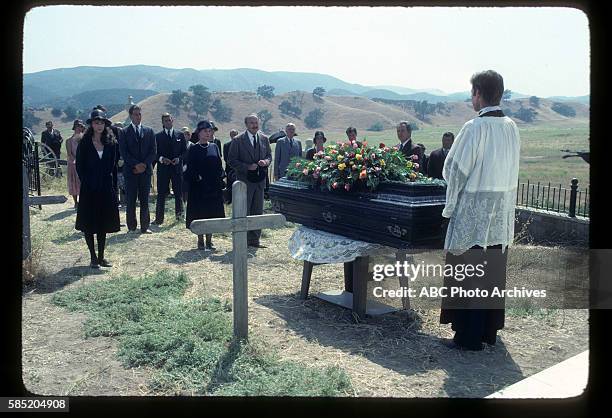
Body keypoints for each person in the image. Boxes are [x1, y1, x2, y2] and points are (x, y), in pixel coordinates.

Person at [439, 70, 520, 351]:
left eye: (472, 92)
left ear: (478, 93)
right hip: (500, 214)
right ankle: (488, 331)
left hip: (473, 214)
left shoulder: (474, 128)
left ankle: (468, 337)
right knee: (492, 271)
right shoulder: (511, 126)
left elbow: (454, 169)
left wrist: (451, 201)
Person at [75, 109, 121, 268]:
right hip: (89, 188)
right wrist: (87, 182)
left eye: (102, 122)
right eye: (96, 122)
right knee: (89, 223)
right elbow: (79, 166)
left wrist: (112, 186)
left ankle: (101, 256)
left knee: (103, 223)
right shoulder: (85, 143)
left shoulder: (111, 142)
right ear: (91, 124)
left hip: (106, 187)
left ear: (105, 124)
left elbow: (113, 166)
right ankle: (93, 257)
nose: (99, 125)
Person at [228, 114, 272, 248]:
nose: (254, 125)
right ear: (246, 124)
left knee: (258, 210)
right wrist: (247, 166)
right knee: (244, 211)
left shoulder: (264, 139)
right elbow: (231, 160)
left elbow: (269, 155)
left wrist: (266, 161)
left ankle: (255, 240)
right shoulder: (238, 140)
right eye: (251, 123)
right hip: (244, 182)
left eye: (256, 122)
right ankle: (242, 240)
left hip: (259, 181)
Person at [184, 120, 225, 250]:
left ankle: (209, 240)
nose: (208, 134)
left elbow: (219, 165)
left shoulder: (214, 147)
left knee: (212, 213)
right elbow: (189, 168)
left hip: (213, 187)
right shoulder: (193, 149)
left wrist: (221, 177)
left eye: (209, 131)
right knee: (200, 213)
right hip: (199, 188)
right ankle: (200, 240)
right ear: (199, 133)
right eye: (205, 131)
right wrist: (198, 177)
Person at [118, 105, 157, 234]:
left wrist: (144, 164)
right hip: (130, 171)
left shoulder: (149, 131)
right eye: (135, 114)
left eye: (139, 114)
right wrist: (136, 165)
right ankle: (132, 227)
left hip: (145, 172)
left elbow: (153, 151)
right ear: (130, 116)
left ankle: (145, 227)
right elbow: (124, 152)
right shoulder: (123, 132)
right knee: (131, 200)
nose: (138, 116)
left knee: (145, 200)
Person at [153, 113, 187, 224]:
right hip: (163, 169)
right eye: (165, 120)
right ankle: (159, 219)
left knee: (178, 193)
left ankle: (180, 217)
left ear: (173, 121)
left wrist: (179, 159)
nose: (168, 122)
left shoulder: (180, 135)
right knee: (161, 194)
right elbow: (154, 153)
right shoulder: (157, 136)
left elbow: (185, 152)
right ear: (162, 122)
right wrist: (162, 159)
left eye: (169, 120)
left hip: (176, 169)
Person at [65, 119, 85, 208]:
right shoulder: (69, 140)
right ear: (74, 127)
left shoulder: (85, 139)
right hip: (74, 163)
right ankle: (75, 202)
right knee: (74, 182)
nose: (79, 128)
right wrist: (78, 161)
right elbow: (70, 154)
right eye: (77, 126)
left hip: (84, 163)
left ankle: (84, 200)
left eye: (81, 126)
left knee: (83, 182)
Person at [223, 129, 239, 203]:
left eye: (235, 134)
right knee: (230, 185)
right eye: (232, 134)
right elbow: (226, 158)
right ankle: (229, 200)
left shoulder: (241, 144)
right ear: (230, 135)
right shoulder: (226, 145)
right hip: (229, 169)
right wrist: (233, 166)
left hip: (239, 169)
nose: (234, 136)